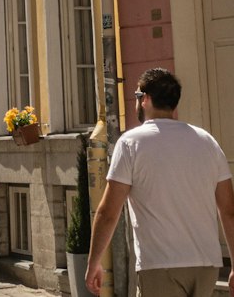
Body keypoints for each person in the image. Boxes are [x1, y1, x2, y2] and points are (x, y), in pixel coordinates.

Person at [86, 67, 234, 297]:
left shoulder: (131, 143)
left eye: (137, 96)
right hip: (206, 264)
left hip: (160, 264)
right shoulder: (207, 142)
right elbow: (229, 211)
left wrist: (94, 262)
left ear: (145, 99)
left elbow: (108, 213)